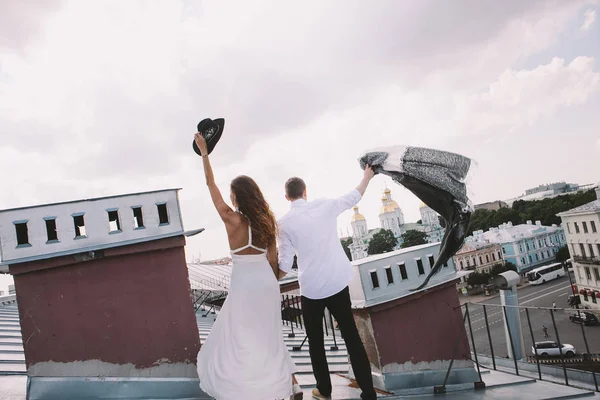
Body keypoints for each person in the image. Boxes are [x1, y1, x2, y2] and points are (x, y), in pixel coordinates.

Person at [193, 133, 302, 400]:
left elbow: (210, 184)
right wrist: (269, 280)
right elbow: (274, 263)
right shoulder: (267, 222)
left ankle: (247, 386)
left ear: (236, 197)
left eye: (231, 195)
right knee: (271, 336)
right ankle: (293, 384)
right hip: (266, 283)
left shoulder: (231, 219)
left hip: (243, 284)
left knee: (240, 338)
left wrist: (205, 154)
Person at [277, 167, 377, 400]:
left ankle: (324, 390)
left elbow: (285, 263)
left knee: (315, 342)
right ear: (305, 192)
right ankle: (369, 391)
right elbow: (355, 196)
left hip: (311, 288)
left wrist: (266, 278)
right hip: (336, 281)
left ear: (287, 198)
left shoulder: (283, 224)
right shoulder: (324, 205)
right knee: (351, 336)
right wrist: (367, 176)